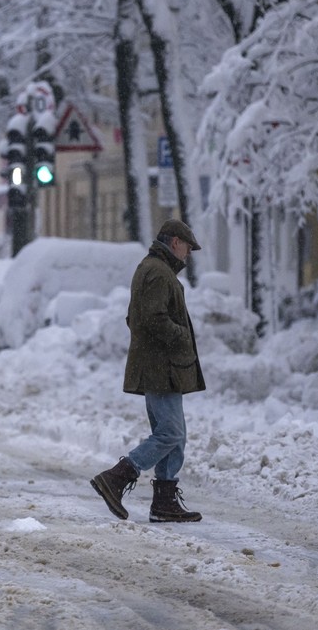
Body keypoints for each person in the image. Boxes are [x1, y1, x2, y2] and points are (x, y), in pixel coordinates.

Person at [90, 219, 206, 523]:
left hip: (163, 367)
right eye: (188, 248)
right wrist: (179, 336)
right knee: (170, 433)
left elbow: (134, 317)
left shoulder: (155, 269)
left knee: (174, 436)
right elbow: (151, 318)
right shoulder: (156, 271)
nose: (189, 254)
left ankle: (164, 502)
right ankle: (117, 477)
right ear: (176, 242)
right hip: (161, 368)